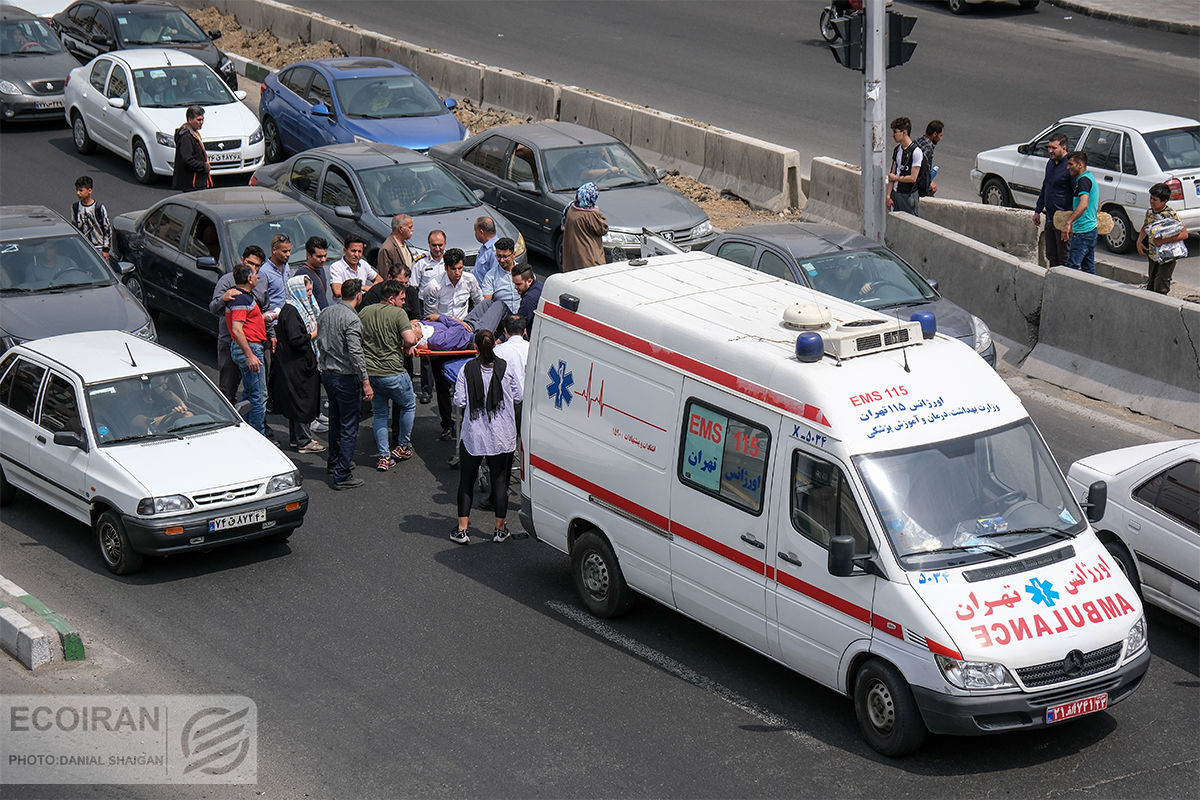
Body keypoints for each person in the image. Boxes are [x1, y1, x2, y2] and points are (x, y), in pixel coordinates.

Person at [450, 328, 523, 545]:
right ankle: (500, 529)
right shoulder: (505, 368)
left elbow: (460, 401)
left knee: (466, 482)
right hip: (502, 435)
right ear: (494, 345)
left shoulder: (467, 369)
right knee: (500, 482)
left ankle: (462, 529)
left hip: (474, 435)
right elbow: (518, 396)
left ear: (475, 347)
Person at [317, 278, 373, 490]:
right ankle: (342, 473)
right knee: (349, 426)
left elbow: (320, 340)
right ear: (358, 295)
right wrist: (366, 381)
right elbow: (356, 354)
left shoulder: (326, 313)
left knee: (335, 421)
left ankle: (334, 462)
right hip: (345, 377)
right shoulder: (352, 320)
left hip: (327, 374)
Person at [360, 280, 420, 472]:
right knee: (408, 404)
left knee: (379, 414)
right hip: (393, 372)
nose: (404, 302)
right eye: (402, 299)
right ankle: (403, 446)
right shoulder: (398, 313)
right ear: (392, 299)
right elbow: (410, 339)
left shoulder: (365, 312)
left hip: (371, 374)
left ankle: (384, 457)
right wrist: (414, 337)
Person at [211, 246, 272, 403]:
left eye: (257, 265)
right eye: (250, 263)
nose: (253, 268)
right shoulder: (227, 280)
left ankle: (256, 423)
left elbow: (265, 310)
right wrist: (224, 298)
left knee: (258, 389)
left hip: (257, 341)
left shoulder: (261, 281)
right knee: (228, 387)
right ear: (242, 260)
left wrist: (271, 335)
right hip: (231, 340)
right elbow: (213, 308)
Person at [272, 275, 325, 453]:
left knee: (297, 402)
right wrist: (313, 335)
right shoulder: (293, 312)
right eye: (307, 291)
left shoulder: (293, 309)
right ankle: (304, 441)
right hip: (297, 367)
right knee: (302, 403)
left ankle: (297, 439)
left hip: (296, 365)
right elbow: (296, 340)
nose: (310, 294)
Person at [225, 263, 269, 436]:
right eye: (256, 274)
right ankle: (257, 435)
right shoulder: (242, 299)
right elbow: (237, 329)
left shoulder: (241, 298)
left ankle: (246, 429)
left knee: (251, 393)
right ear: (249, 278)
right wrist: (250, 355)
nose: (258, 277)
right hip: (250, 348)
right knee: (259, 396)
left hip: (248, 347)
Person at [1136, 182, 1190, 295]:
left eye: (1155, 200)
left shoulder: (1170, 215)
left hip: (1167, 256)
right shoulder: (1150, 212)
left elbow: (1184, 234)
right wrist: (1139, 241)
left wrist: (1163, 241)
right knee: (1151, 284)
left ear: (1164, 201)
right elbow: (1146, 226)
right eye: (1151, 198)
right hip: (1153, 255)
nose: (1151, 201)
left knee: (1161, 287)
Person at [1032, 134, 1073, 267]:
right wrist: (1038, 210)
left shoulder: (1069, 166)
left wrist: (1069, 223)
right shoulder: (1050, 163)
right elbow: (1045, 187)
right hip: (1050, 219)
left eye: (1053, 148)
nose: (1050, 151)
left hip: (1063, 220)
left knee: (1064, 258)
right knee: (1051, 255)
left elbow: (1076, 195)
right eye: (1048, 147)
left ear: (1064, 148)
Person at [1062, 151, 1098, 275]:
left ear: (1080, 165)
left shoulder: (1083, 180)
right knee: (1088, 270)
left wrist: (1068, 222)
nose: (1068, 167)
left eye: (1071, 164)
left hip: (1082, 232)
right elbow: (1097, 204)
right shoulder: (1090, 178)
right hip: (1091, 231)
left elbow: (1084, 204)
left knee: (1071, 269)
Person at [561, 182, 608, 271]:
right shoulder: (589, 214)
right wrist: (597, 212)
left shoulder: (571, 207)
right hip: (588, 258)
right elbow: (603, 229)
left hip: (573, 256)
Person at [886, 117, 922, 216]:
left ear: (904, 133)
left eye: (896, 132)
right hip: (895, 194)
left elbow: (913, 178)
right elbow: (892, 173)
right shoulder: (897, 150)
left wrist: (896, 178)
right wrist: (888, 196)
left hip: (908, 196)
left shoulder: (916, 152)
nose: (893, 135)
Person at [71, 175, 111, 259]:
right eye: (77, 190)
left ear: (89, 191)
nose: (78, 193)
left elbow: (107, 229)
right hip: (83, 249)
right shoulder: (75, 208)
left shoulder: (99, 208)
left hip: (98, 248)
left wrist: (105, 249)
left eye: (81, 190)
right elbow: (74, 228)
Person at [172, 105, 210, 192]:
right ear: (190, 119)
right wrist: (204, 166)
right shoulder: (186, 137)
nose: (201, 122)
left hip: (197, 182)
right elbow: (187, 160)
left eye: (202, 119)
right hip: (192, 184)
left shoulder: (193, 133)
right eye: (199, 120)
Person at [377, 213, 423, 281]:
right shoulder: (387, 249)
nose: (412, 230)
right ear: (401, 229)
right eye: (410, 227)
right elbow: (385, 277)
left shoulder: (403, 243)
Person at [480, 237, 521, 314]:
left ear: (514, 254)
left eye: (505, 257)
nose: (501, 260)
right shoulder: (490, 276)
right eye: (498, 256)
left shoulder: (524, 271)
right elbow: (486, 303)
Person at [259, 234, 291, 327]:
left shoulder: (286, 266)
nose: (288, 254)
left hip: (288, 319)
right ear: (274, 250)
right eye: (284, 251)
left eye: (289, 251)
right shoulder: (264, 272)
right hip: (274, 323)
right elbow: (262, 302)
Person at [294, 236, 331, 311]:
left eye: (325, 256)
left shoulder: (321, 269)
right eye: (319, 256)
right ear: (308, 255)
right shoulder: (302, 274)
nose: (323, 260)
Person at [914, 120, 942, 198]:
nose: (940, 139)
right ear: (935, 134)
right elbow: (923, 170)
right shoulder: (928, 149)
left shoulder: (917, 141)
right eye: (940, 135)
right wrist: (929, 182)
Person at [513, 265, 543, 336]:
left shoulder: (529, 299)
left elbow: (517, 326)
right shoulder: (539, 286)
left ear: (529, 281)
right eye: (514, 283)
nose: (515, 287)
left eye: (518, 284)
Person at [472, 216, 498, 284]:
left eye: (475, 231)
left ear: (481, 232)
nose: (475, 234)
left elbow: (494, 279)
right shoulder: (485, 247)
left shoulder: (494, 251)